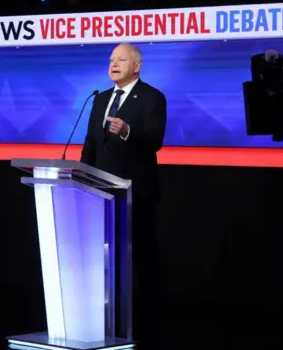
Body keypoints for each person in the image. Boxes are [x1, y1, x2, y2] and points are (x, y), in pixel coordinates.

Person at [80, 43, 167, 348]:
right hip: (100, 190)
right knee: (105, 253)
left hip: (136, 191)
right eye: (111, 59)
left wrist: (128, 130)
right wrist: (81, 176)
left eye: (121, 59)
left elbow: (155, 140)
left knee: (141, 253)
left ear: (137, 66)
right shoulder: (101, 98)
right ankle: (107, 311)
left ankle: (150, 319)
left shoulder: (152, 97)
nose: (114, 64)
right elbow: (91, 142)